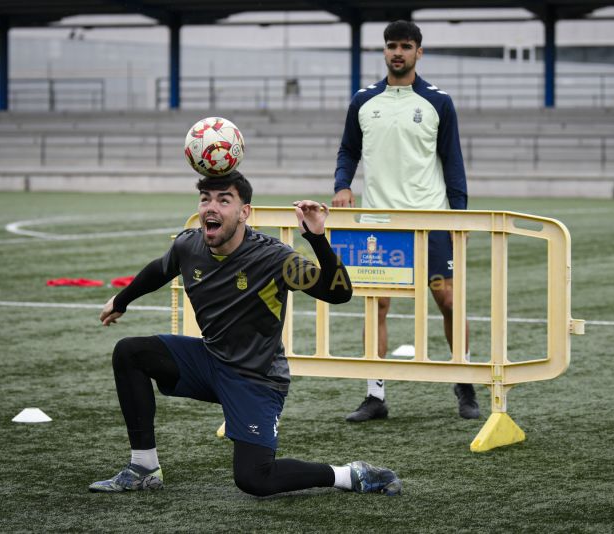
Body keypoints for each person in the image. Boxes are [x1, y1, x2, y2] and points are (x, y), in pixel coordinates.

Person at [89, 171, 401, 497]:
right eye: (206, 199)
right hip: (210, 360)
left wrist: (317, 237)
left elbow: (338, 293)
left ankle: (351, 475)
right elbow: (160, 269)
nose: (212, 207)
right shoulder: (189, 245)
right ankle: (143, 468)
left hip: (257, 378)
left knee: (255, 479)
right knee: (130, 353)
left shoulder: (273, 258)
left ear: (244, 212)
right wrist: (121, 301)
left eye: (224, 200)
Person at [333, 20, 478, 422]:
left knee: (447, 300)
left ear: (419, 52)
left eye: (406, 46)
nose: (398, 52)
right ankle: (374, 395)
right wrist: (342, 185)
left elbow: (453, 163)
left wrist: (459, 218)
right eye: (392, 45)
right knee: (377, 305)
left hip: (430, 220)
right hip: (379, 223)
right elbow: (348, 149)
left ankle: (464, 382)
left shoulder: (438, 102)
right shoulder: (364, 100)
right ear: (384, 51)